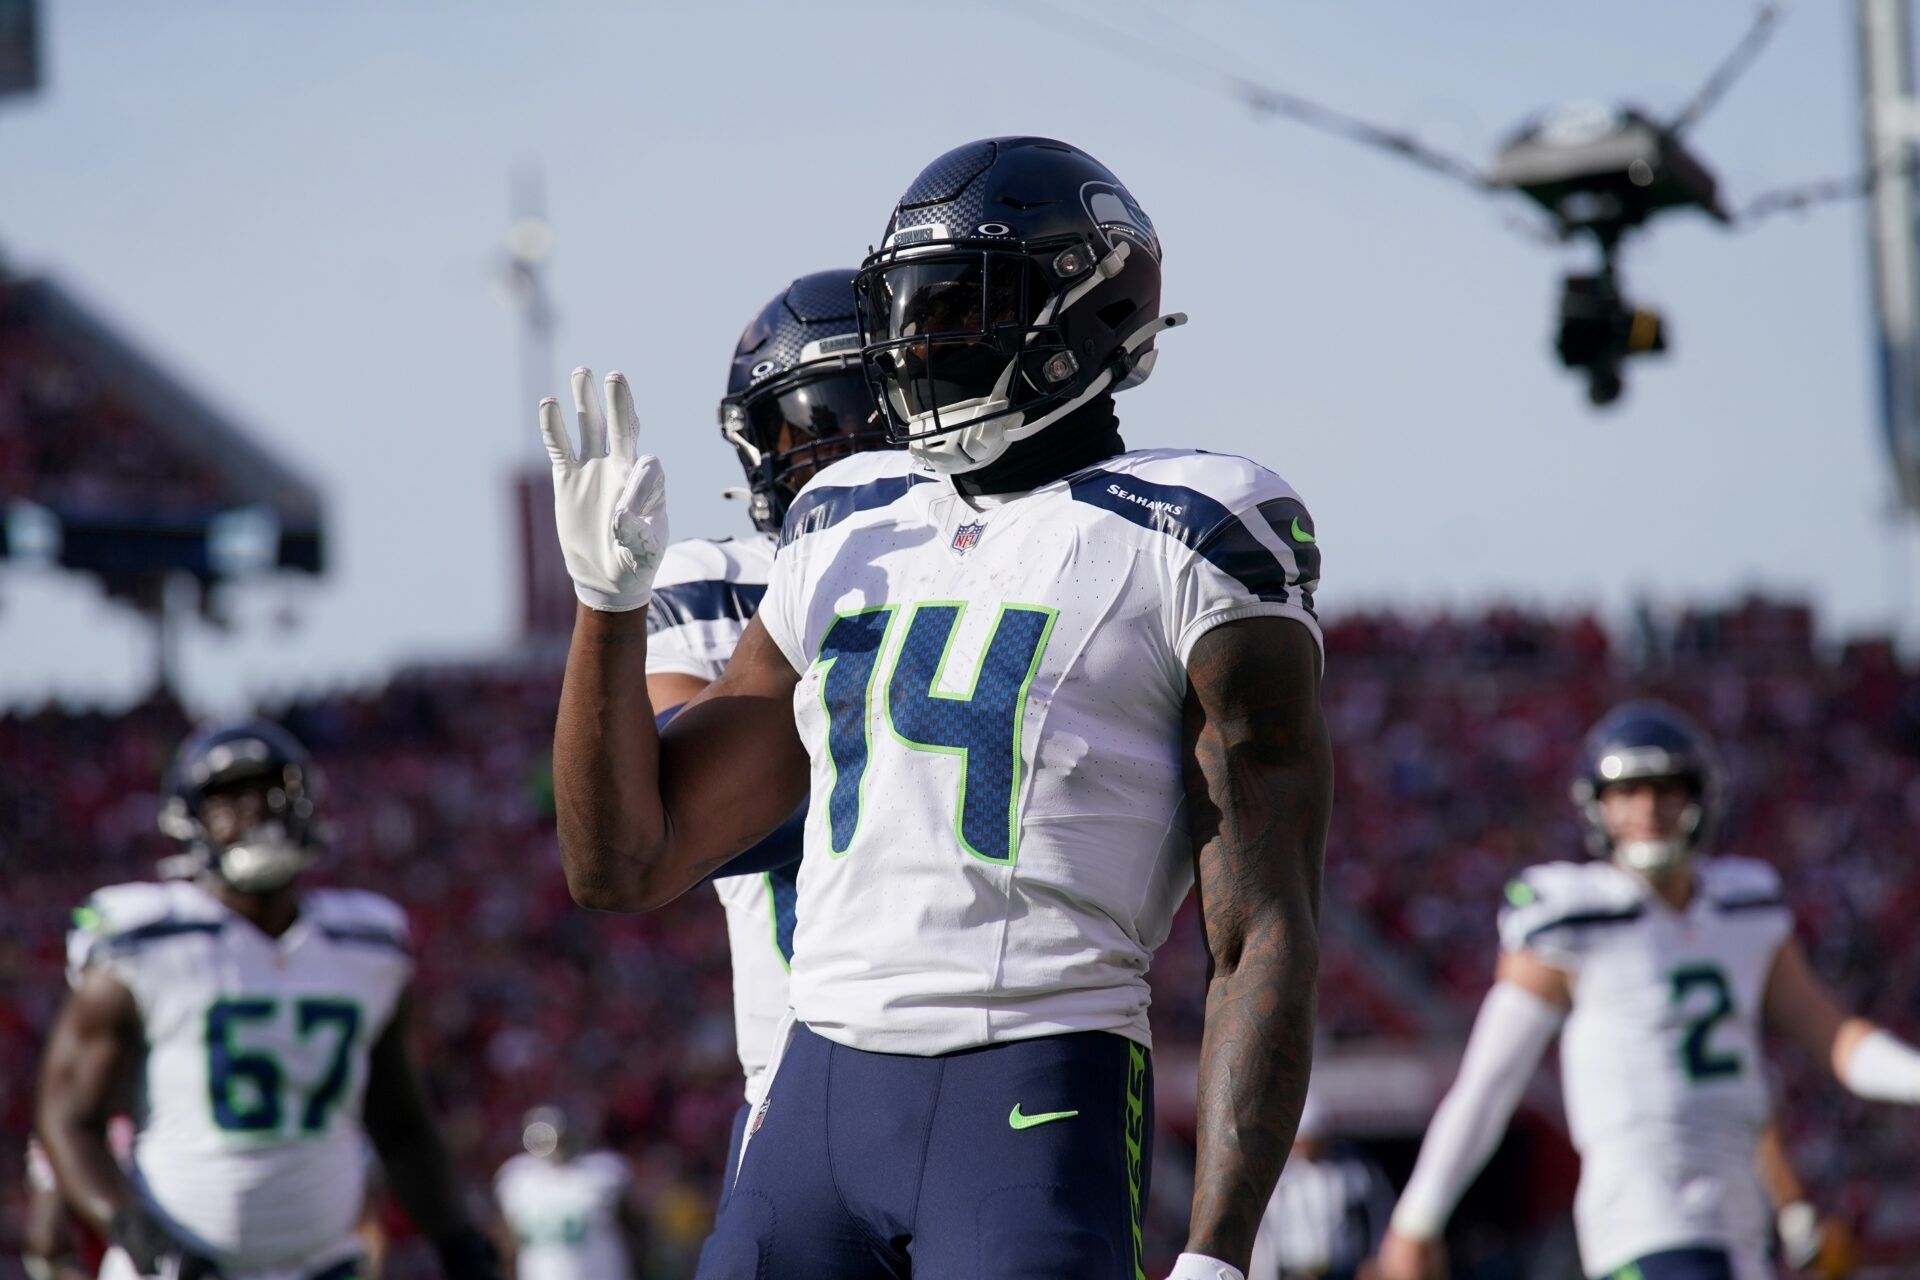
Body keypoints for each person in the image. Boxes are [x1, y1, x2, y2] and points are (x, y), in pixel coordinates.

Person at [539, 135, 1331, 1280]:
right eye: (906, 309)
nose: (916, 343)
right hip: (814, 1092)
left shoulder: (1202, 527)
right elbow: (621, 861)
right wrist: (606, 606)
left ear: (1092, 310)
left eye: (959, 305)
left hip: (1034, 1090)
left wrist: (1218, 1250)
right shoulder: (851, 512)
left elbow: (1261, 928)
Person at [1373, 701, 1920, 1280]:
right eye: (1627, 791)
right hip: (1642, 1219)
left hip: (1740, 1226)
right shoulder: (1572, 917)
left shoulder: (1743, 908)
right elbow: (1489, 1082)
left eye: (1666, 789)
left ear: (1699, 798)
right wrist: (1418, 1219)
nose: (1648, 808)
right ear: (1596, 805)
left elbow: (1833, 1038)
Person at [36, 720, 501, 1280]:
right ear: (188, 817)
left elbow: (400, 1123)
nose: (257, 808)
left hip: (324, 1266)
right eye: (228, 795)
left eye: (275, 788)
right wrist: (134, 1230)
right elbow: (67, 1118)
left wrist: (456, 1237)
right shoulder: (146, 944)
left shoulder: (366, 945)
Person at [643, 269, 894, 1176]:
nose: (849, 445)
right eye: (819, 420)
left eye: (870, 411)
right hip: (797, 1070)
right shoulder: (717, 581)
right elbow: (680, 795)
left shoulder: (1012, 551)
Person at [1246, 1090, 1392, 1280]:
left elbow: (1378, 1215)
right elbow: (1264, 1233)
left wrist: (1375, 1259)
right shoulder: (1276, 1175)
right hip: (1293, 1271)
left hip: (1343, 1270)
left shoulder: (1353, 1170)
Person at [493, 1106, 645, 1280]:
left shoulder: (605, 1173)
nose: (556, 1145)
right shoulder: (516, 1179)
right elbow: (509, 1244)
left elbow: (638, 1230)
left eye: (562, 1138)